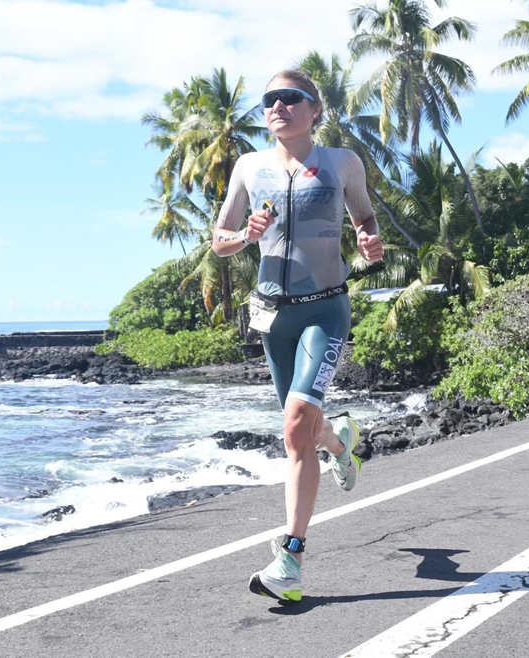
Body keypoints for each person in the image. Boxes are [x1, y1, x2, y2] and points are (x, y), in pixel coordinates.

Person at [212, 69, 383, 603]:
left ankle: (290, 559)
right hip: (272, 315)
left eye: (291, 98)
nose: (278, 106)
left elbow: (366, 217)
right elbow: (220, 240)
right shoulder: (248, 167)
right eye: (270, 100)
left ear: (316, 110)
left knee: (291, 429)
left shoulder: (342, 163)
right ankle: (341, 444)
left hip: (324, 310)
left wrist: (368, 240)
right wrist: (245, 235)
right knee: (304, 432)